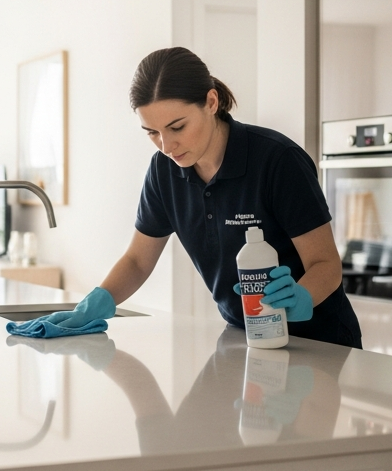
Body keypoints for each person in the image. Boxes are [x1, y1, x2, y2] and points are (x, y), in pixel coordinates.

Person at [34, 46, 362, 347]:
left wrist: (301, 297)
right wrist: (95, 304)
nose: (166, 146)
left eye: (177, 127)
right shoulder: (164, 172)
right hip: (244, 337)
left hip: (320, 342)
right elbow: (137, 261)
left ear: (211, 102)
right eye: (152, 132)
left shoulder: (277, 160)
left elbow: (326, 264)